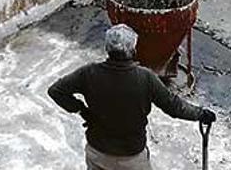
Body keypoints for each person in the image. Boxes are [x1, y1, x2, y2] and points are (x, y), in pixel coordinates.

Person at [48, 24, 216, 170]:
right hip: (131, 158)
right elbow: (173, 106)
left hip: (97, 152)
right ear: (133, 50)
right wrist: (200, 114)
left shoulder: (89, 73)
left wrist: (82, 110)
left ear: (107, 49)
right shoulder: (145, 78)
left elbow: (56, 90)